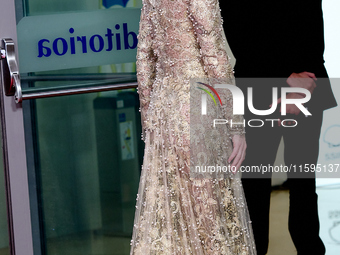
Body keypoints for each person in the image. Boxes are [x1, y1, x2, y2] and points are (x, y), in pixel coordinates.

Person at [130, 0, 256, 254]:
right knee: (209, 213)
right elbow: (215, 58)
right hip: (197, 109)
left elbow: (143, 57)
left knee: (170, 214)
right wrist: (236, 126)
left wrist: (149, 119)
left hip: (163, 112)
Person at [220, 1, 337, 255]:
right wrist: (287, 77)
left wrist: (305, 80)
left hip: (308, 85)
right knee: (255, 186)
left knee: (304, 184)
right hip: (260, 87)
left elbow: (312, 23)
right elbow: (238, 29)